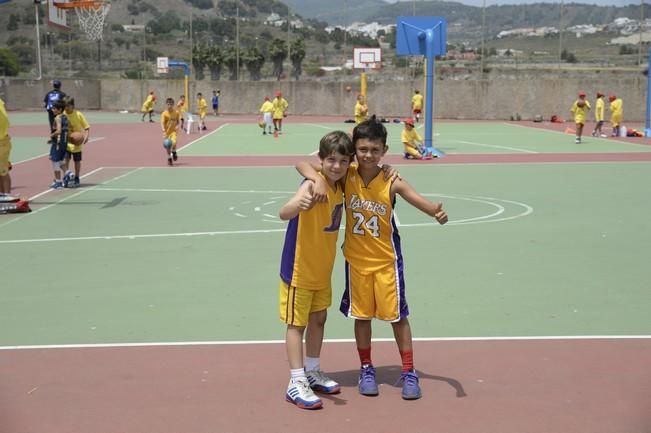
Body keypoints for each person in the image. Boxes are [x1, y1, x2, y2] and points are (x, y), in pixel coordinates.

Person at [297, 115, 448, 401]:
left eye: (374, 150)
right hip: (356, 262)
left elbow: (419, 200)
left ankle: (408, 371)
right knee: (362, 317)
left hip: (386, 262)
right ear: (355, 149)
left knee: (398, 317)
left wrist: (435, 212)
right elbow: (302, 164)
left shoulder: (391, 180)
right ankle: (366, 368)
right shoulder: (346, 175)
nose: (368, 155)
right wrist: (316, 177)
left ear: (384, 151)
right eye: (363, 149)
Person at [279, 130, 354, 410]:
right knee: (296, 325)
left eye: (343, 161)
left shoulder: (339, 183)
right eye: (331, 160)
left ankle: (312, 370)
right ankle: (295, 381)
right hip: (299, 269)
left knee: (319, 319)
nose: (336, 166)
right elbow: (283, 212)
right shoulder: (312, 186)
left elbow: (307, 163)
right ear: (321, 160)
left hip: (322, 269)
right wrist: (297, 204)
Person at [61, 97, 90, 188]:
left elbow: (87, 127)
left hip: (77, 144)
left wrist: (86, 136)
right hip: (66, 143)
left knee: (77, 161)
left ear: (73, 106)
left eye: (68, 106)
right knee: (66, 160)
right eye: (65, 106)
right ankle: (66, 176)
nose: (66, 108)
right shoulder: (62, 115)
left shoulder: (78, 114)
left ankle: (77, 177)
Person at [48, 100, 69, 189]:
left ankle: (58, 182)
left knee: (55, 161)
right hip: (64, 142)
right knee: (60, 161)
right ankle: (68, 174)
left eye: (54, 108)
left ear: (60, 109)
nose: (52, 110)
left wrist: (51, 136)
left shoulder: (57, 118)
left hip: (58, 143)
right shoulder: (65, 117)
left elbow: (59, 131)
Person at [161, 97, 181, 166]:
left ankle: (174, 151)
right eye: (168, 104)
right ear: (166, 104)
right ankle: (169, 158)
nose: (169, 105)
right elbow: (162, 123)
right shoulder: (164, 113)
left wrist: (177, 125)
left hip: (173, 131)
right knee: (167, 145)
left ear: (173, 105)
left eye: (171, 104)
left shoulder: (176, 112)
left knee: (174, 142)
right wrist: (163, 130)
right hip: (166, 132)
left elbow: (178, 121)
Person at [0, 97, 12, 194]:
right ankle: (2, 196)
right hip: (3, 140)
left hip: (2, 142)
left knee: (3, 171)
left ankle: (7, 195)